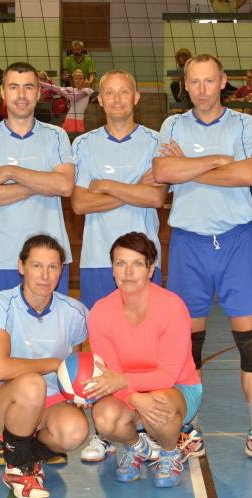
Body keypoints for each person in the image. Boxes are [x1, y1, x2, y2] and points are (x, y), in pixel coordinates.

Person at [153, 53, 252, 467]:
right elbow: (162, 172)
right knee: (188, 346)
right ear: (185, 84)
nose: (202, 89)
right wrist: (217, 161)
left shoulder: (244, 124)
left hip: (236, 241)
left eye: (209, 81)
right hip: (189, 242)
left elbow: (249, 175)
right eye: (194, 81)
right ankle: (188, 429)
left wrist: (187, 167)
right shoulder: (172, 125)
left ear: (223, 81)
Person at [70, 70, 166, 463]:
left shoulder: (157, 141)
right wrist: (133, 189)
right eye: (108, 93)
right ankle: (105, 431)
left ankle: (145, 425)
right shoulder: (83, 144)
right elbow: (80, 203)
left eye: (123, 91)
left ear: (136, 96)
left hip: (144, 262)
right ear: (100, 100)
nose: (116, 99)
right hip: (98, 259)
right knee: (102, 351)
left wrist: (105, 185)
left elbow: (156, 198)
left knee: (145, 348)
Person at [0, 234, 89, 498]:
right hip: (1, 401)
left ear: (61, 270)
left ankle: (26, 451)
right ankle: (18, 466)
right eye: (37, 266)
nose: (45, 275)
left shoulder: (75, 312)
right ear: (21, 266)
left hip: (51, 401)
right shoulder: (1, 304)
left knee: (74, 431)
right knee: (32, 383)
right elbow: (1, 369)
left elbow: (72, 371)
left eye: (52, 267)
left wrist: (80, 394)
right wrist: (51, 364)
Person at [88, 232, 202, 488]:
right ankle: (137, 448)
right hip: (126, 390)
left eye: (137, 264)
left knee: (158, 403)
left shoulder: (172, 307)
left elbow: (167, 375)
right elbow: (109, 374)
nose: (128, 272)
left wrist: (128, 387)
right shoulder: (100, 313)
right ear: (112, 269)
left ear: (151, 270)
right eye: (120, 263)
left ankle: (170, 453)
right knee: (104, 417)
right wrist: (135, 397)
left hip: (178, 388)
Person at [0, 62, 74, 302]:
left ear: (38, 93)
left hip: (50, 260)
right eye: (13, 87)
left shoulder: (56, 135)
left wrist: (11, 171)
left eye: (28, 87)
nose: (21, 95)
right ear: (2, 92)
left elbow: (64, 186)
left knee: (53, 327)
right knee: (1, 327)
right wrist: (41, 183)